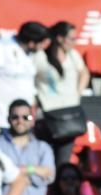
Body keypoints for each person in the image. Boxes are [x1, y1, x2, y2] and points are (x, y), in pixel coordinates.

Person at [0, 21, 50, 130]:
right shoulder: (3, 46)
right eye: (42, 43)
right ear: (31, 43)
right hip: (2, 120)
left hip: (24, 121)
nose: (44, 47)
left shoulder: (32, 54)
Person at [0, 99, 55, 195]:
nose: (20, 121)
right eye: (15, 117)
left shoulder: (43, 147)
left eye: (25, 117)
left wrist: (20, 170)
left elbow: (49, 174)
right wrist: (35, 171)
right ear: (8, 119)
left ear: (32, 120)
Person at [38, 21, 91, 164]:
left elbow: (84, 73)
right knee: (45, 159)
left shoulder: (73, 55)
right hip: (48, 114)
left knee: (63, 161)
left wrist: (77, 93)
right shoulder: (41, 56)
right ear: (60, 38)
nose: (75, 42)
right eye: (72, 38)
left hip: (70, 114)